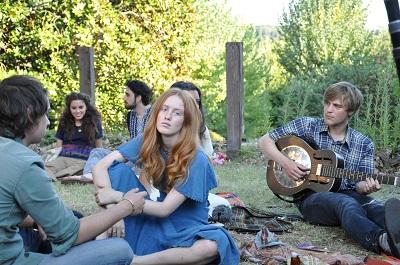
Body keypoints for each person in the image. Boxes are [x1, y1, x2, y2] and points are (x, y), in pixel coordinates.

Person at [0, 74, 147, 265]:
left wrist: (37, 221)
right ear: (29, 114)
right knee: (120, 250)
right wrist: (126, 206)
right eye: (45, 113)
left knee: (71, 218)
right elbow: (70, 235)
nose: (48, 121)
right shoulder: (25, 164)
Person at [93, 89, 239, 264]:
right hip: (152, 219)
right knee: (116, 171)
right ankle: (98, 254)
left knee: (213, 245)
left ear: (186, 121)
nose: (168, 116)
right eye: (164, 109)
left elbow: (164, 209)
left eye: (177, 113)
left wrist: (119, 198)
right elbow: (100, 166)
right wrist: (112, 210)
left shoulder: (197, 158)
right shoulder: (147, 140)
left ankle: (136, 261)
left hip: (184, 226)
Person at [258, 81, 400, 257]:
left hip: (349, 193)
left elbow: (360, 186)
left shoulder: (364, 143)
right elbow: (265, 141)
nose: (328, 109)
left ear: (351, 112)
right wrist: (286, 162)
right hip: (311, 197)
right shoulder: (307, 126)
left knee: (376, 207)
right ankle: (382, 241)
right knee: (346, 203)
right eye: (327, 103)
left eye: (336, 106)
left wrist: (366, 187)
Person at [63, 79, 152, 184]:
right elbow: (132, 141)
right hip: (129, 158)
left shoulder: (154, 115)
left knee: (118, 168)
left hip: (145, 162)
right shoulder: (130, 116)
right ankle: (88, 176)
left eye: (128, 95)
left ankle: (102, 175)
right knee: (97, 152)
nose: (124, 98)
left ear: (139, 98)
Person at [170, 81, 230, 217]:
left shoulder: (201, 130)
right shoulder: (163, 128)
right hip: (162, 190)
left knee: (224, 206)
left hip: (190, 190)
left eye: (197, 102)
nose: (195, 106)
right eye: (189, 101)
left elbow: (205, 166)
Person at [45, 92, 103, 182]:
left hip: (84, 160)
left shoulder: (95, 123)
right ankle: (55, 177)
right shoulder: (64, 122)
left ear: (86, 107)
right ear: (69, 108)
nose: (77, 111)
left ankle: (62, 178)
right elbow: (58, 147)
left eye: (81, 107)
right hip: (64, 158)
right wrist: (52, 159)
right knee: (47, 168)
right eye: (74, 108)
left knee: (72, 171)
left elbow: (99, 149)